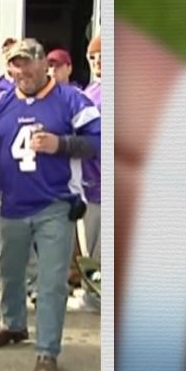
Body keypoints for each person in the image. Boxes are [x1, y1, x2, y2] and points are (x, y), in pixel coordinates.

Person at [0, 39, 101, 371]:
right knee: (10, 271)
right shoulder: (0, 103)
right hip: (12, 204)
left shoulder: (70, 99)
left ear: (45, 64)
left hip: (54, 204)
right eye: (15, 64)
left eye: (28, 63)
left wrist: (62, 145)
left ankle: (47, 350)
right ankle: (13, 325)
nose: (21, 71)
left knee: (51, 281)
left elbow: (100, 140)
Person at [80, 33, 104, 313]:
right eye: (93, 58)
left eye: (102, 57)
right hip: (90, 182)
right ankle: (92, 293)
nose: (98, 62)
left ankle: (97, 294)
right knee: (90, 245)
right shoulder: (88, 94)